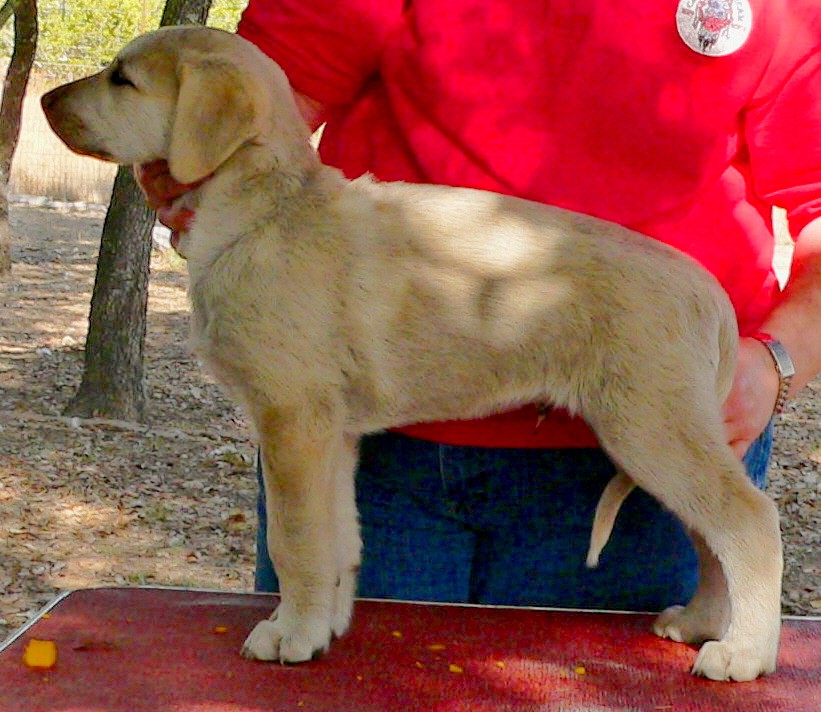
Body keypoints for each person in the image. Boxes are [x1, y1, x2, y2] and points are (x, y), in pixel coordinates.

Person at [139, 0, 821, 611]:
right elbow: (246, 117)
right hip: (384, 463)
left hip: (648, 457)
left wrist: (776, 361)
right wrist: (196, 185)